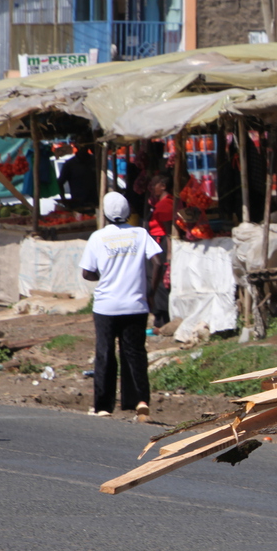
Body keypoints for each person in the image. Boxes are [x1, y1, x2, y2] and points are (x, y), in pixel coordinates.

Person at [80, 192, 163, 419]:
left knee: (105, 354)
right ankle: (140, 401)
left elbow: (87, 272)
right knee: (135, 353)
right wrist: (151, 293)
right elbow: (158, 262)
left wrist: (106, 274)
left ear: (105, 213)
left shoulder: (98, 237)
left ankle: (104, 406)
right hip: (136, 305)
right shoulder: (140, 233)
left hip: (106, 307)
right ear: (128, 211)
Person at [144, 176, 174, 326]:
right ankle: (159, 314)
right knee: (155, 279)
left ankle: (163, 316)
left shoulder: (165, 205)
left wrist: (169, 252)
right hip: (156, 243)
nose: (152, 187)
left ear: (162, 186)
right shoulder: (160, 203)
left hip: (160, 245)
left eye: (154, 184)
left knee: (159, 280)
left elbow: (169, 231)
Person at [58, 144, 98, 213]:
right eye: (81, 146)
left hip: (95, 203)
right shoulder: (70, 164)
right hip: (78, 205)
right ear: (76, 146)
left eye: (85, 145)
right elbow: (60, 183)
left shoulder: (95, 161)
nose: (83, 147)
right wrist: (64, 200)